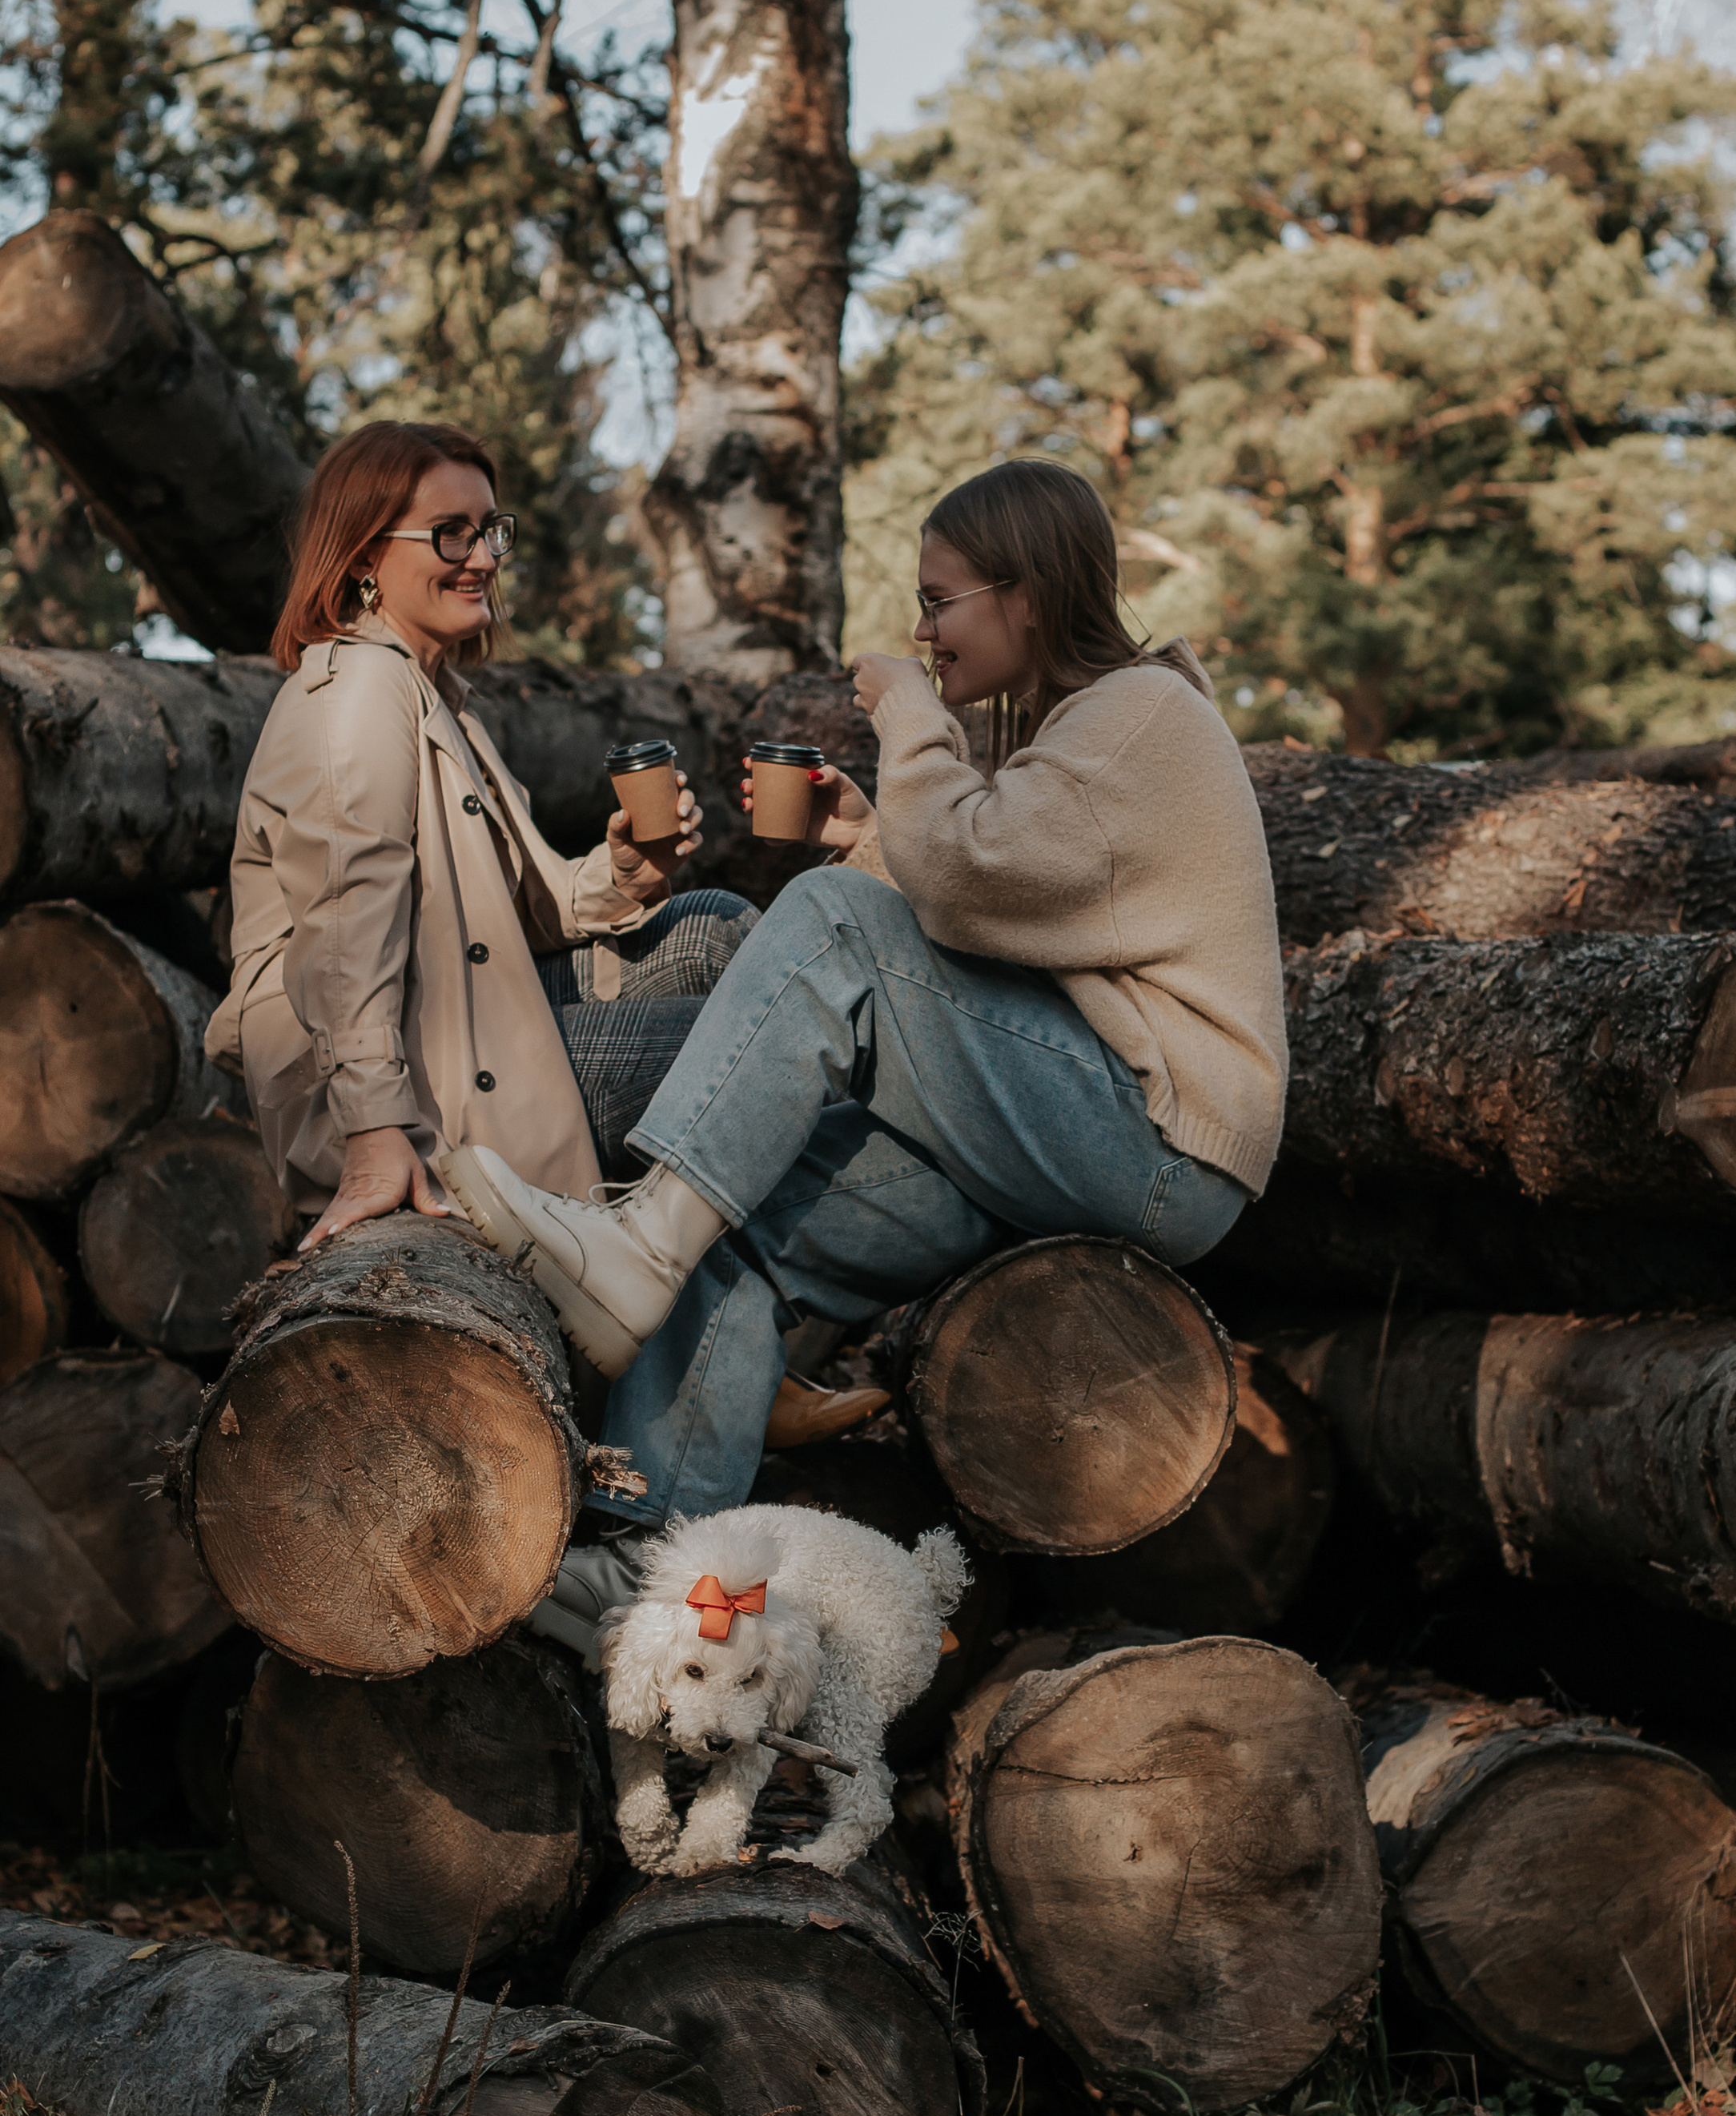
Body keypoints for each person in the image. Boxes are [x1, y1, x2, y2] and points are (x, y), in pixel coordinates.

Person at [444, 458, 1289, 1613]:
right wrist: (872, 834)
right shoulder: (1091, 727)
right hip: (1075, 1128)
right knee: (741, 1217)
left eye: (942, 600)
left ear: (1027, 594)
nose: (923, 628)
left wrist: (910, 719)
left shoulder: (1137, 716)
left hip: (1151, 1139)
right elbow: (1007, 899)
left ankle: (636, 1247)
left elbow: (963, 880)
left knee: (834, 925)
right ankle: (652, 1572)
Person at [205, 421, 870, 1490]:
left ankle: (722, 1336)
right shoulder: (357, 696)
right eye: (450, 532)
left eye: (491, 529)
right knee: (764, 1033)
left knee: (711, 926)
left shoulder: (437, 700)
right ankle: (725, 1351)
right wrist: (378, 1134)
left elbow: (532, 910)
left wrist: (626, 868)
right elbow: (344, 918)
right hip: (402, 1071)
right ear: (365, 555)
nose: (482, 556)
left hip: (468, 1021)